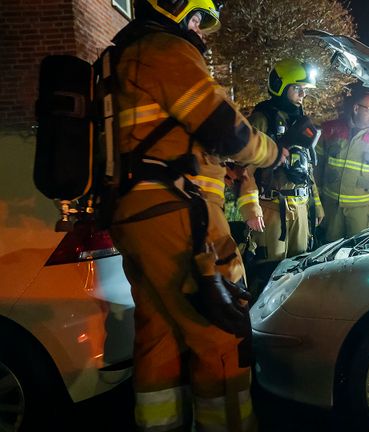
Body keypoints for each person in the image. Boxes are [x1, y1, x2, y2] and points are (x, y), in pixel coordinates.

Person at [107, 1, 280, 430]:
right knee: (221, 332)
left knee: (159, 335)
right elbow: (226, 128)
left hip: (140, 214)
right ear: (176, 9)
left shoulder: (125, 57)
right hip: (180, 215)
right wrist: (274, 153)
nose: (201, 32)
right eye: (199, 20)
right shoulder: (166, 50)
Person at [237, 58, 323, 263]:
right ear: (281, 87)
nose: (303, 95)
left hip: (301, 207)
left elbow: (306, 166)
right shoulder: (262, 118)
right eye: (297, 89)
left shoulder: (300, 120)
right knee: (269, 270)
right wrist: (250, 208)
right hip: (271, 209)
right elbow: (244, 169)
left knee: (299, 268)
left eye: (305, 90)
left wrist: (316, 204)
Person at [315, 92, 369, 242]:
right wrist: (316, 202)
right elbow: (316, 167)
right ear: (356, 108)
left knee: (359, 254)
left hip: (362, 213)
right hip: (331, 210)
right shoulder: (331, 131)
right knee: (328, 253)